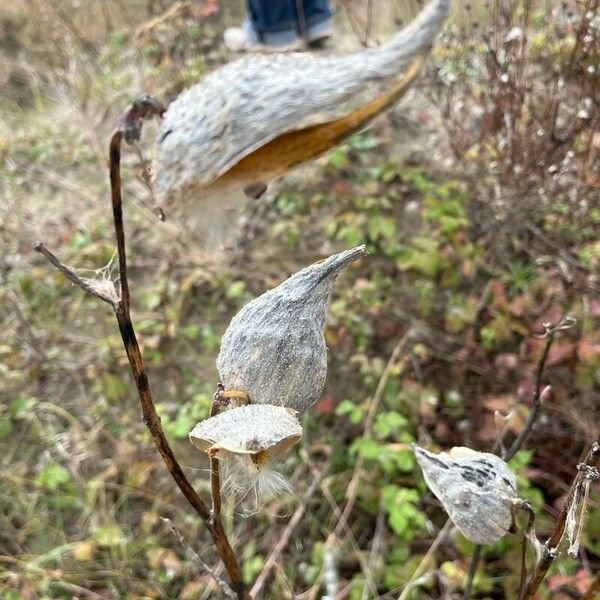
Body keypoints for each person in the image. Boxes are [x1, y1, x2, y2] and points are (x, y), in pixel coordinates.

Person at [224, 0, 333, 52]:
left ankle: (276, 30)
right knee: (312, 16)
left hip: (274, 22)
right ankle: (313, 20)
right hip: (316, 15)